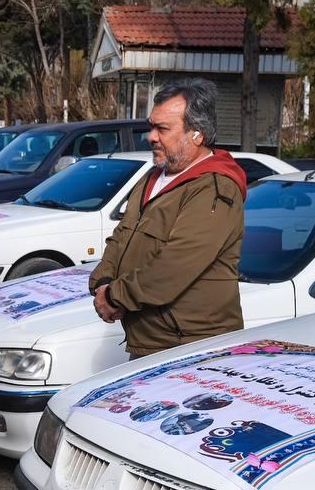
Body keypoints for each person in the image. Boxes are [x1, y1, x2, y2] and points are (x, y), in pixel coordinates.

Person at [89, 79, 247, 357]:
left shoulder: (214, 187)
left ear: (197, 134)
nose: (151, 137)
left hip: (190, 348)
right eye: (151, 126)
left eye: (162, 129)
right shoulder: (152, 178)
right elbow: (122, 236)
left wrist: (115, 296)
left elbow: (174, 267)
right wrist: (102, 281)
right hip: (150, 341)